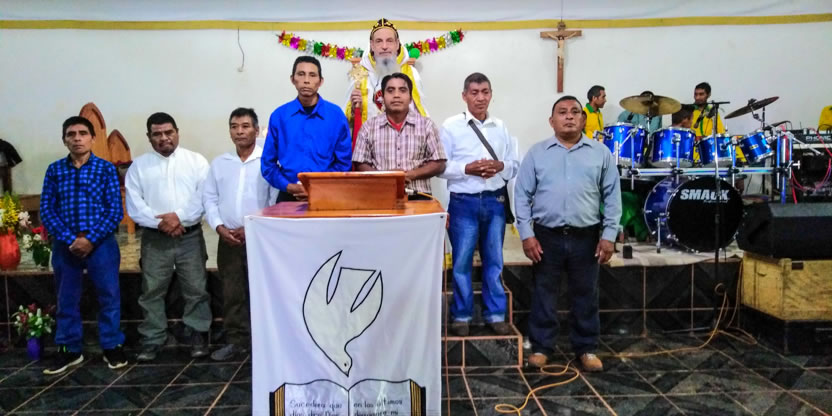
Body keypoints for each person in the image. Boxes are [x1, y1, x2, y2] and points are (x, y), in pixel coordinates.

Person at [515, 95, 621, 372]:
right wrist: (526, 234)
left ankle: (587, 348)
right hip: (546, 236)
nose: (569, 116)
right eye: (562, 112)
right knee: (544, 292)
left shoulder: (600, 153)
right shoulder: (537, 153)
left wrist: (609, 235)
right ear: (552, 121)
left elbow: (612, 197)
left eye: (575, 112)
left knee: (586, 293)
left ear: (583, 119)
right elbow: (522, 195)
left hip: (586, 235)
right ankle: (542, 347)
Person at [39, 116, 128, 375]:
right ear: (64, 140)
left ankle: (112, 346)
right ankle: (69, 349)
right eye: (71, 134)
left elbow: (115, 210)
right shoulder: (55, 170)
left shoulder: (105, 169)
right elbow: (47, 210)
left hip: (100, 243)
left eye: (82, 133)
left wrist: (90, 239)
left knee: (109, 295)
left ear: (92, 138)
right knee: (66, 297)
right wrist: (71, 239)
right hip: (65, 245)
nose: (77, 138)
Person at [126, 112, 211, 361]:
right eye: (157, 134)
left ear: (177, 132)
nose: (164, 138)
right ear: (149, 137)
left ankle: (197, 334)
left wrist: (179, 218)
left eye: (168, 132)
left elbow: (204, 196)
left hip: (189, 237)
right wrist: (161, 223)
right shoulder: (139, 166)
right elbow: (135, 204)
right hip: (155, 239)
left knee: (196, 289)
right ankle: (152, 339)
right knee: (151, 291)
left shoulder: (196, 161)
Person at [439, 72, 518, 336]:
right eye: (474, 92)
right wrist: (467, 168)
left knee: (494, 260)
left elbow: (514, 164)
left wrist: (500, 165)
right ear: (464, 96)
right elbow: (440, 166)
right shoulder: (451, 126)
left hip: (495, 201)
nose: (480, 98)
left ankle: (495, 314)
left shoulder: (500, 127)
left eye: (485, 92)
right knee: (461, 261)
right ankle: (461, 315)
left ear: (491, 94)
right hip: (463, 202)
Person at [204, 108, 277, 361]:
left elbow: (273, 200)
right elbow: (210, 198)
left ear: (256, 130)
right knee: (232, 292)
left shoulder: (267, 163)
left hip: (259, 238)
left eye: (245, 126)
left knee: (263, 291)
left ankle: (266, 342)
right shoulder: (220, 164)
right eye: (234, 127)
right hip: (229, 240)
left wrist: (252, 227)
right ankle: (237, 341)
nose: (239, 131)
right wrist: (219, 227)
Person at [262, 56, 352, 202]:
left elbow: (344, 163)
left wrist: (317, 186)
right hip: (289, 194)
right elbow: (268, 164)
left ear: (321, 81)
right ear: (292, 79)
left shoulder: (336, 116)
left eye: (312, 75)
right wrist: (288, 186)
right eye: (301, 74)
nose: (306, 80)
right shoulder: (279, 116)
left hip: (326, 194)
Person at [353, 73, 446, 198]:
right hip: (380, 195)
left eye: (402, 90)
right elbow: (360, 163)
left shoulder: (426, 125)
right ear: (382, 97)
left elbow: (439, 163)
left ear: (411, 97)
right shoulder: (368, 127)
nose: (396, 95)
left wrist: (411, 175)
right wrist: (385, 178)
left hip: (418, 195)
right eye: (390, 90)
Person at [346, 18, 428, 129]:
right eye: (379, 41)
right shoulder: (359, 75)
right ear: (372, 45)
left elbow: (422, 114)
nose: (384, 46)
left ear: (397, 44)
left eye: (389, 41)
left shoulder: (411, 73)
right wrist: (354, 110)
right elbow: (346, 122)